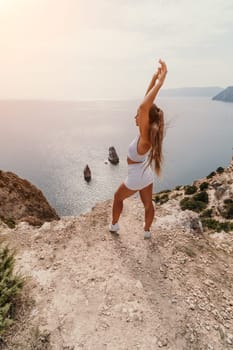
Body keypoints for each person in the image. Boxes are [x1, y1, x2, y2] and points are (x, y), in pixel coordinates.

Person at [109, 59, 168, 239]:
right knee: (148, 205)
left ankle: (114, 226)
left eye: (138, 116)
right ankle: (147, 231)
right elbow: (145, 105)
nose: (135, 116)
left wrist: (160, 82)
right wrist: (153, 77)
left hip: (135, 176)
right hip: (146, 174)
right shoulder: (148, 135)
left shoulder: (144, 138)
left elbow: (143, 107)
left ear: (145, 121)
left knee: (118, 197)